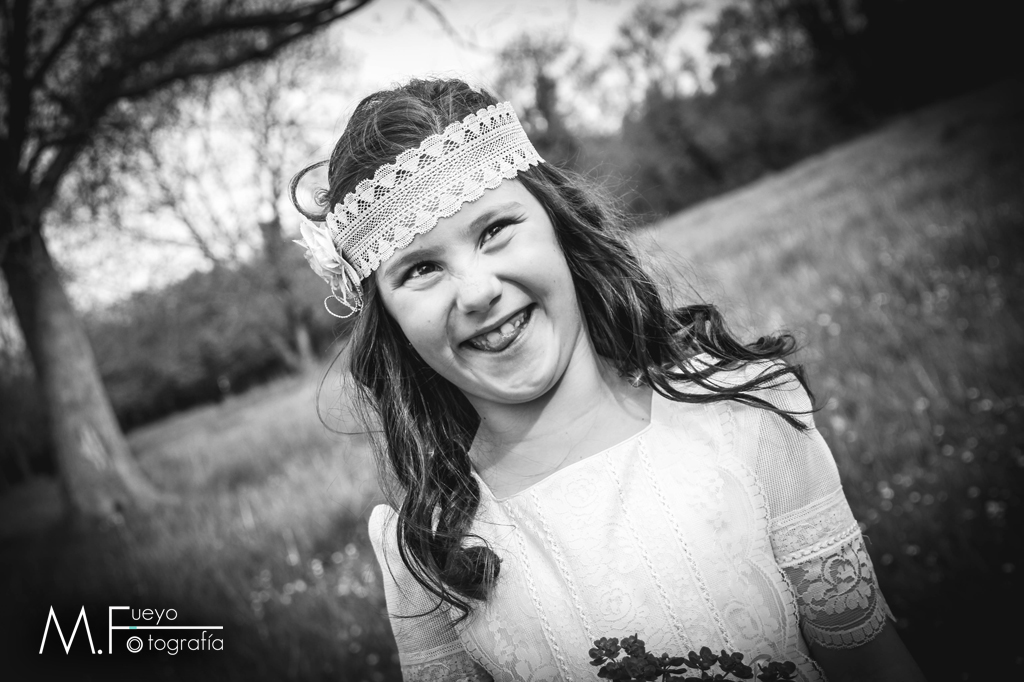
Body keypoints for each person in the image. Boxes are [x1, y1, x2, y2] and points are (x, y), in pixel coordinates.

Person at [290, 78, 925, 682]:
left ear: (559, 227)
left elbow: (871, 665)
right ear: (390, 319)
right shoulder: (430, 551)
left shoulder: (743, 414)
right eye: (421, 268)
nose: (478, 291)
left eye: (496, 230)